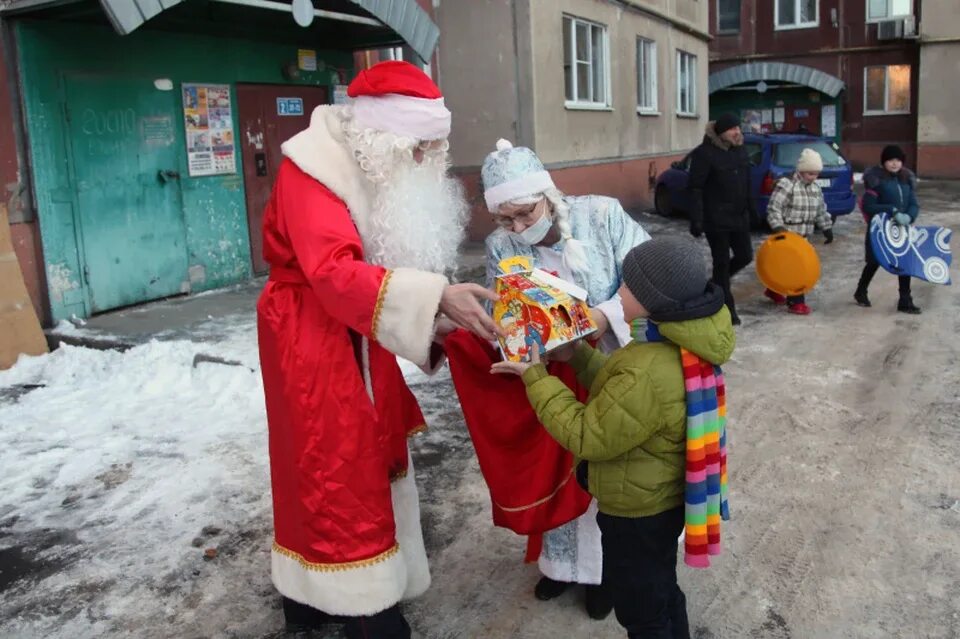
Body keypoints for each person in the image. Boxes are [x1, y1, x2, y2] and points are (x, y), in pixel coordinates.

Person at [257, 61, 499, 638]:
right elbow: (334, 274)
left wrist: (437, 317)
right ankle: (362, 608)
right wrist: (435, 295)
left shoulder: (369, 158)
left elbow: (373, 268)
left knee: (350, 453)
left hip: (351, 328)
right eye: (420, 148)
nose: (425, 162)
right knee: (332, 460)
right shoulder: (312, 170)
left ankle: (312, 593)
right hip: (311, 335)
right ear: (384, 135)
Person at [491, 236, 736, 639]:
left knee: (642, 611)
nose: (617, 291)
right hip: (659, 497)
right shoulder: (670, 340)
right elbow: (619, 394)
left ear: (653, 298)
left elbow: (588, 435)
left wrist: (535, 378)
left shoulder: (648, 369)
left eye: (627, 285)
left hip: (637, 513)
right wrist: (578, 354)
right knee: (661, 591)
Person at [480, 139, 652, 619]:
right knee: (559, 464)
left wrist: (602, 316)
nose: (516, 227)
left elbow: (648, 278)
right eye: (504, 219)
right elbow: (505, 311)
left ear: (547, 194)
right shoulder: (501, 246)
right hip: (553, 373)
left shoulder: (602, 215)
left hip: (614, 363)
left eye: (523, 213)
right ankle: (560, 567)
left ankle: (604, 572)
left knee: (607, 468)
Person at [687, 112, 756, 325]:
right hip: (715, 219)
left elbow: (747, 184)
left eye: (738, 128)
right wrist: (696, 218)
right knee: (722, 263)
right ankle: (728, 308)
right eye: (732, 129)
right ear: (721, 133)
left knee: (745, 256)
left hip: (738, 217)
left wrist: (753, 210)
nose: (737, 132)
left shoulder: (740, 151)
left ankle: (716, 284)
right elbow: (695, 188)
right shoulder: (704, 154)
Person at [764, 148, 835, 315]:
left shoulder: (815, 189)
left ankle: (773, 289)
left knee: (787, 268)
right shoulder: (787, 185)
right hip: (786, 235)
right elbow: (774, 208)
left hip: (803, 237)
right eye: (810, 173)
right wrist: (778, 228)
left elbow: (820, 211)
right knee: (796, 270)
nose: (813, 177)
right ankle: (796, 302)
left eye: (816, 174)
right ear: (801, 170)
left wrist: (827, 227)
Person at [854, 145, 922, 314]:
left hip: (901, 229)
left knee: (905, 262)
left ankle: (905, 300)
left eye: (898, 160)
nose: (894, 163)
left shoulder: (906, 179)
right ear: (884, 162)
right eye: (890, 160)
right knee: (874, 261)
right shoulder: (876, 181)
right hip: (880, 230)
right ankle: (861, 291)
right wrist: (891, 210)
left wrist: (909, 216)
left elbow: (914, 203)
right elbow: (869, 206)